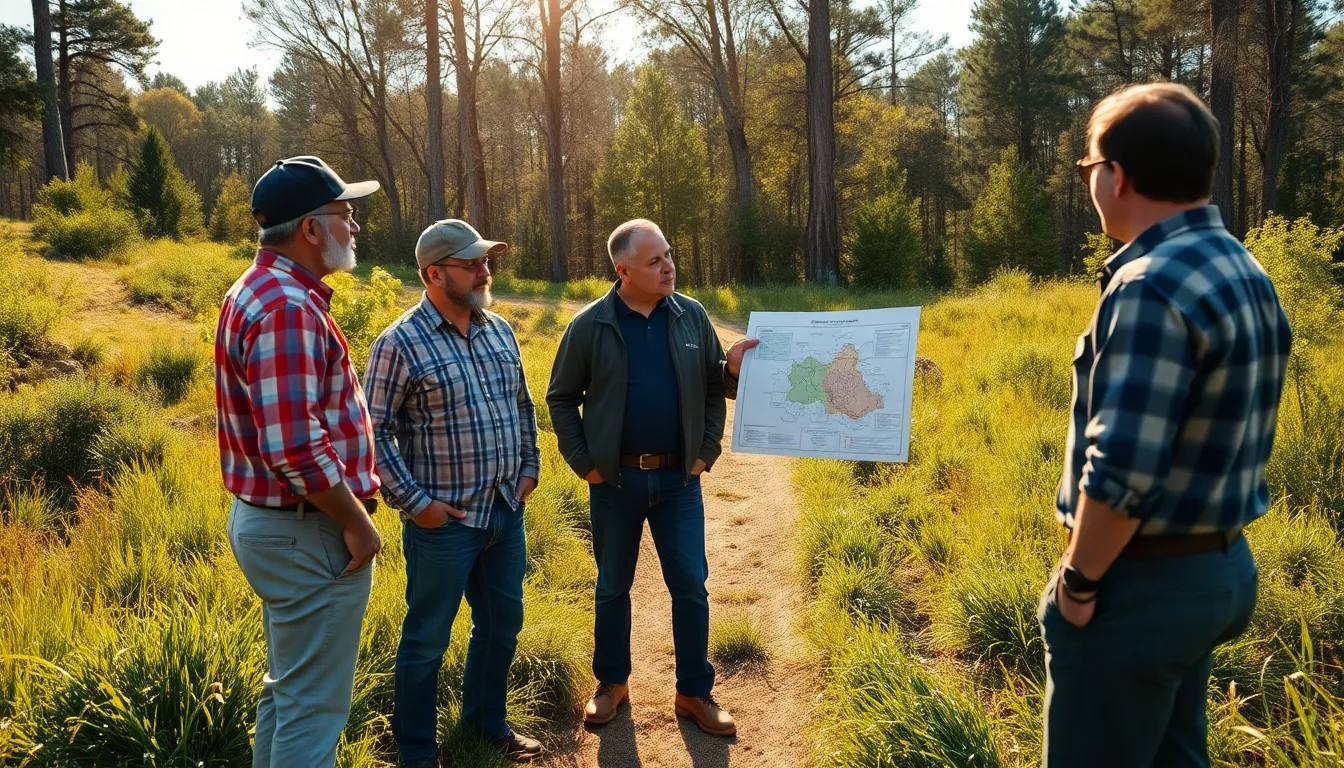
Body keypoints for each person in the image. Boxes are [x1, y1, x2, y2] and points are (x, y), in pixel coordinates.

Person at [1041, 82, 1292, 767]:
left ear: (1117, 176)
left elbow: (1123, 468)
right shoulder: (1242, 266)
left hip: (1141, 587)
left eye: (1089, 167)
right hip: (1219, 570)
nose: (1091, 182)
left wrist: (1078, 584)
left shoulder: (1149, 283)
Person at [546, 219, 758, 737]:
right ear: (623, 271)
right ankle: (612, 683)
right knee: (612, 586)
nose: (668, 267)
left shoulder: (691, 315)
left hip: (679, 482)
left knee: (690, 586)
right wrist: (585, 463)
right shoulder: (590, 325)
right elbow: (561, 398)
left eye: (668, 255)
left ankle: (694, 693)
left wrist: (708, 445)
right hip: (614, 482)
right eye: (654, 261)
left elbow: (714, 387)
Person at [216, 156, 384, 768]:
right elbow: (293, 446)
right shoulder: (287, 307)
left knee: (290, 694)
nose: (355, 227)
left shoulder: (259, 289)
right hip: (309, 531)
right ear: (310, 228)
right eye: (346, 214)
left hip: (282, 526)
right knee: (313, 710)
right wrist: (357, 522)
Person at [363, 219, 543, 766]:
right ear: (434, 274)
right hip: (443, 525)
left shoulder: (499, 330)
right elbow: (374, 432)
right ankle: (418, 753)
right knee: (426, 642)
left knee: (501, 628)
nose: (484, 271)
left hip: (505, 511)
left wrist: (529, 467)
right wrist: (418, 506)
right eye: (471, 264)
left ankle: (487, 725)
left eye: (485, 261)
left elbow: (522, 405)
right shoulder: (399, 343)